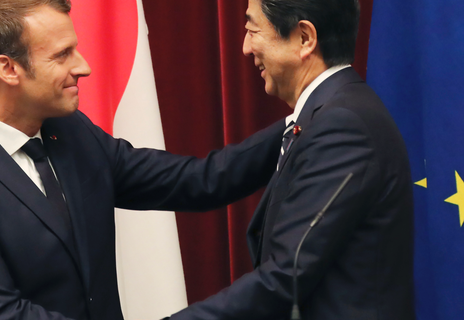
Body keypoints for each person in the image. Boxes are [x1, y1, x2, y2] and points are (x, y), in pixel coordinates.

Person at [0, 0, 285, 319]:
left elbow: (198, 180)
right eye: (63, 54)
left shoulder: (73, 133)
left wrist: (303, 120)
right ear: (7, 69)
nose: (82, 66)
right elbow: (1, 314)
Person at [167, 0, 414, 319]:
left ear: (304, 38)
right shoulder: (325, 115)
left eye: (253, 29)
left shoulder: (342, 126)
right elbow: (212, 175)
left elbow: (285, 274)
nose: (245, 48)